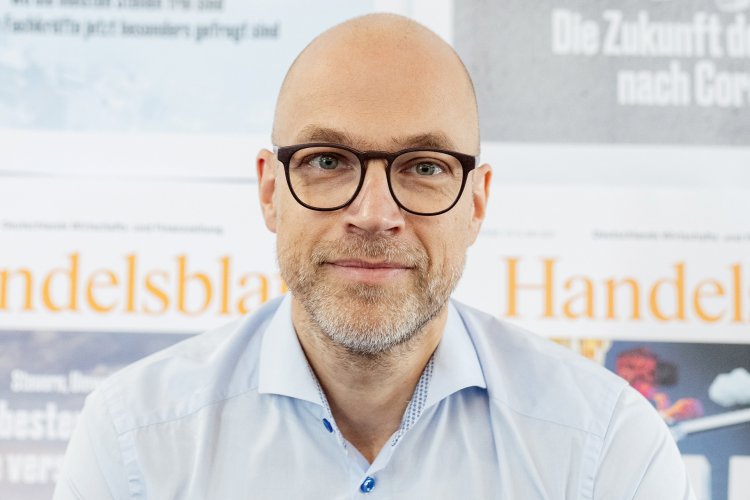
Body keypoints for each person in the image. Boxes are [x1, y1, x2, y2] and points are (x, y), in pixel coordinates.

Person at [54, 13, 695, 499]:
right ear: (271, 191)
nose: (374, 214)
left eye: (424, 166)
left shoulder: (605, 449)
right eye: (327, 161)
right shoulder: (135, 440)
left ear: (476, 203)